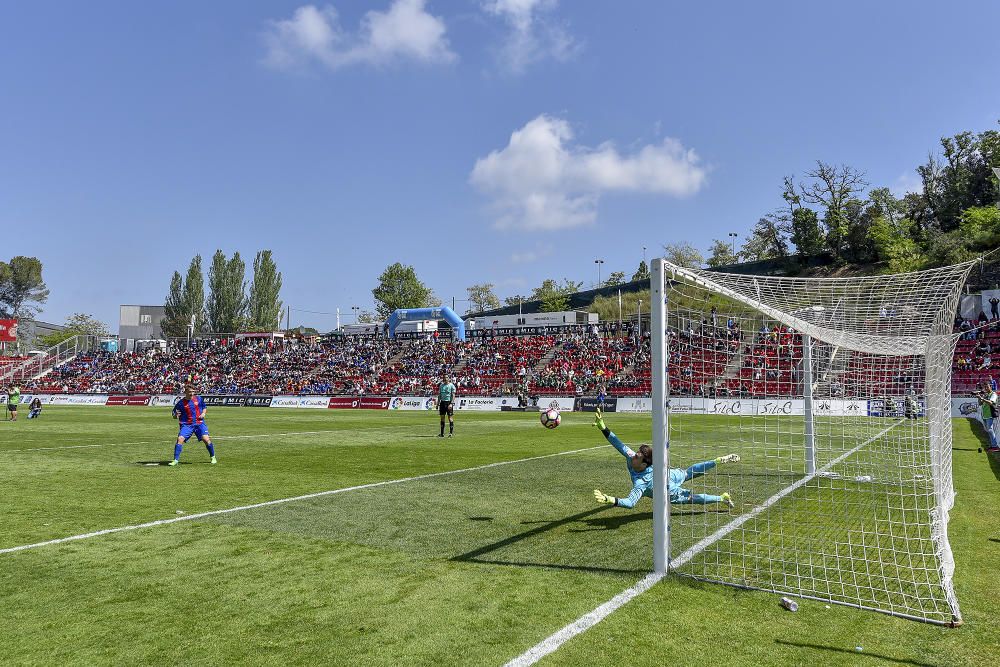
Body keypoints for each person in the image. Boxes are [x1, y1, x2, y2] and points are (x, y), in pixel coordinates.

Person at [591, 409, 738, 509]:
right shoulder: (634, 459)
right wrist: (603, 427)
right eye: (636, 453)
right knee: (688, 473)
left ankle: (721, 497)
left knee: (692, 498)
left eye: (637, 456)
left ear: (643, 464)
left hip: (668, 489)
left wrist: (610, 499)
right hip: (668, 474)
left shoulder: (641, 482)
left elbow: (630, 503)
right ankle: (717, 461)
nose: (632, 456)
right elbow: (619, 445)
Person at [169, 384, 216, 466]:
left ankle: (213, 457)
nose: (192, 394)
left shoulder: (199, 399)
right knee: (180, 439)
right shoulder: (180, 403)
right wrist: (175, 415)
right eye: (190, 392)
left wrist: (204, 413)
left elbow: (204, 407)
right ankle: (175, 460)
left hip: (199, 423)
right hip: (187, 425)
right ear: (185, 392)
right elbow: (174, 415)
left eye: (193, 392)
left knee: (206, 439)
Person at [977, 381, 999, 452]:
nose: (986, 388)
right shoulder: (986, 394)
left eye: (987, 386)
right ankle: (993, 445)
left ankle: (995, 446)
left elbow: (990, 402)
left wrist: (982, 398)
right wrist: (979, 397)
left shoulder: (994, 394)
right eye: (985, 387)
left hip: (990, 414)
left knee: (990, 429)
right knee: (988, 430)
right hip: (985, 415)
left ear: (991, 386)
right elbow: (980, 403)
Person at [437, 373, 456, 438]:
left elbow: (453, 395)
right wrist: (437, 403)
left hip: (448, 403)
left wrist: (451, 403)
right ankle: (442, 434)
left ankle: (451, 433)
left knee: (450, 418)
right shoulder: (441, 386)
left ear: (448, 378)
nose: (445, 378)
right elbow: (439, 395)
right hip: (442, 403)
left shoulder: (451, 386)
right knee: (442, 418)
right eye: (444, 377)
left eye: (446, 377)